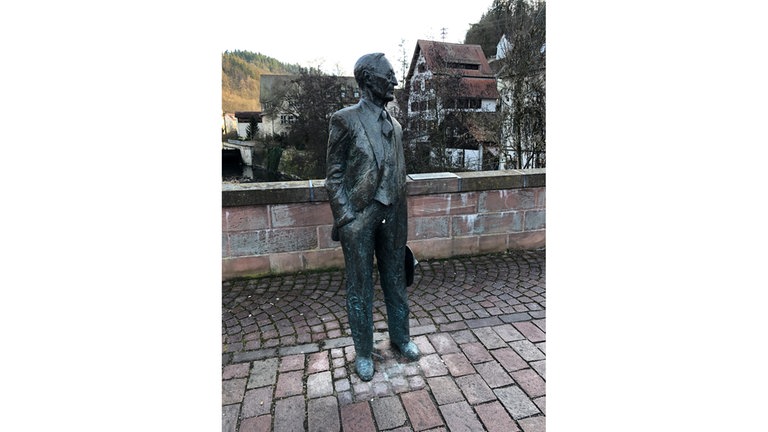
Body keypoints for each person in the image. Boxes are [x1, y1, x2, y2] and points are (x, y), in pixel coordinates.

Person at [325, 53, 420, 381]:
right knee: (360, 285)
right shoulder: (345, 120)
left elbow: (398, 171)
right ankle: (364, 352)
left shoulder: (394, 126)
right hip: (360, 217)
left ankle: (401, 338)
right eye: (389, 75)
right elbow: (333, 176)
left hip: (394, 213)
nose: (394, 81)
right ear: (368, 80)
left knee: (396, 280)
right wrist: (346, 217)